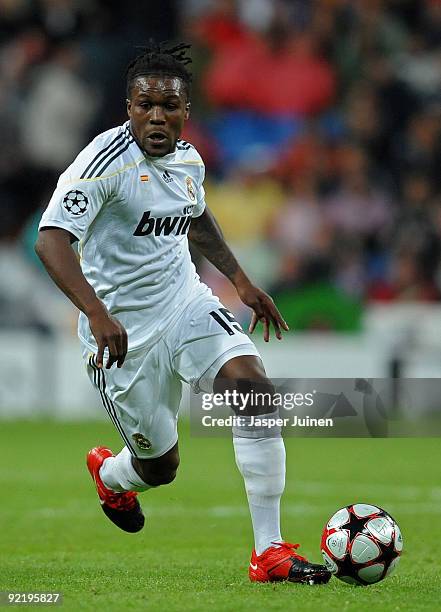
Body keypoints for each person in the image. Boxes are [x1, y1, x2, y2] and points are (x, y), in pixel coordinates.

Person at [35, 42, 330, 585]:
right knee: (159, 468)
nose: (157, 116)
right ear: (129, 108)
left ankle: (269, 552)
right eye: (145, 104)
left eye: (168, 106)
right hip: (122, 336)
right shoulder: (102, 165)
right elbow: (51, 241)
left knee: (254, 391)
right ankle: (112, 475)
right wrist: (97, 314)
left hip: (186, 303)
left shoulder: (188, 158)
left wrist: (240, 280)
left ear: (185, 111)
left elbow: (194, 214)